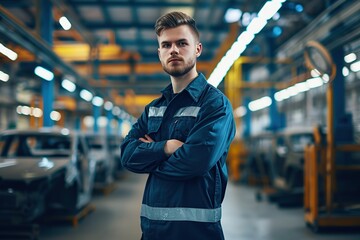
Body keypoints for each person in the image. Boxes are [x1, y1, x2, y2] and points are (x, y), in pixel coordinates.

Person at [121, 11, 236, 240]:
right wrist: (167, 148)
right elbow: (127, 156)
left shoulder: (215, 105)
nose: (173, 50)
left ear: (197, 49)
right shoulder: (153, 108)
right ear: (159, 53)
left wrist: (151, 159)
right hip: (152, 232)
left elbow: (195, 162)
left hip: (197, 233)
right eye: (166, 45)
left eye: (182, 43)